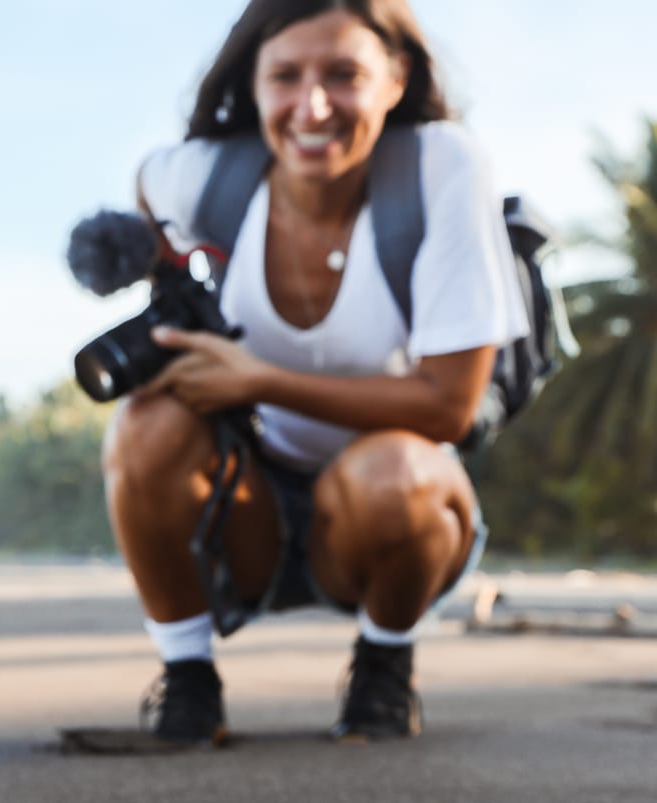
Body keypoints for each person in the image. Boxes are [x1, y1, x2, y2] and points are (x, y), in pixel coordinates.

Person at [102, 0, 529, 745]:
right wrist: (170, 278)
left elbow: (449, 407)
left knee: (396, 470)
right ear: (255, 86)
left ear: (395, 79)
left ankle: (383, 665)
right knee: (142, 424)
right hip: (245, 509)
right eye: (286, 77)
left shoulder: (441, 167)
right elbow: (146, 185)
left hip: (388, 521)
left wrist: (257, 381)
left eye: (344, 74)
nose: (313, 105)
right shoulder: (207, 178)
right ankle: (189, 680)